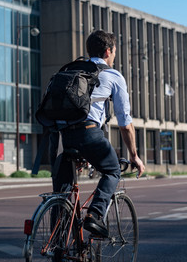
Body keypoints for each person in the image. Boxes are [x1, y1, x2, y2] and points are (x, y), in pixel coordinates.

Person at [50, 30, 145, 238]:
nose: (114, 57)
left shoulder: (71, 71)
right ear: (108, 51)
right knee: (112, 171)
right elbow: (125, 123)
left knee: (63, 192)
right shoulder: (113, 75)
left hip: (60, 137)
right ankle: (94, 215)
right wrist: (134, 155)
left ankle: (56, 243)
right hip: (88, 133)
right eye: (114, 53)